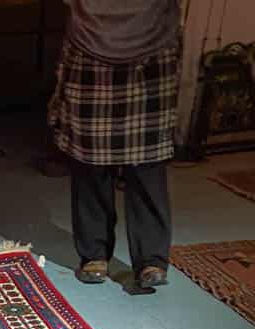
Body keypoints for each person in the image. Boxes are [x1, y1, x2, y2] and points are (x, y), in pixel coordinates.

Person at [49, 0, 183, 290]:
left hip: (153, 43)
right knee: (90, 161)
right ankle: (94, 255)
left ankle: (152, 260)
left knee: (148, 164)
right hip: (89, 42)